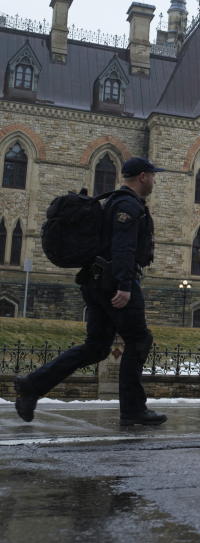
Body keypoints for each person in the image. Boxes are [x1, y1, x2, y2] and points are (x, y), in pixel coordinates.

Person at [14, 157, 166, 426]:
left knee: (96, 347)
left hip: (94, 281)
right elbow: (123, 248)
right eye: (153, 176)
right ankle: (133, 410)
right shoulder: (127, 205)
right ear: (143, 176)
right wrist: (124, 285)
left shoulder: (111, 201)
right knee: (139, 340)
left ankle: (31, 386)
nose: (155, 180)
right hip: (112, 282)